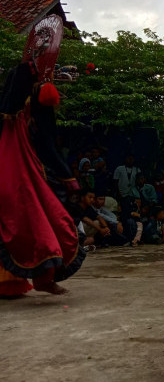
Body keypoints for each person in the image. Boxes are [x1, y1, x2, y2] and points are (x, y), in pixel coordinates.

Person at [0, 15, 84, 297]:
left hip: (27, 164)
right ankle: (37, 279)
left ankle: (38, 278)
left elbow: (45, 138)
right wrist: (68, 175)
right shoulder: (27, 81)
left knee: (37, 215)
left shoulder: (31, 83)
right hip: (18, 163)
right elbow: (45, 138)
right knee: (30, 214)